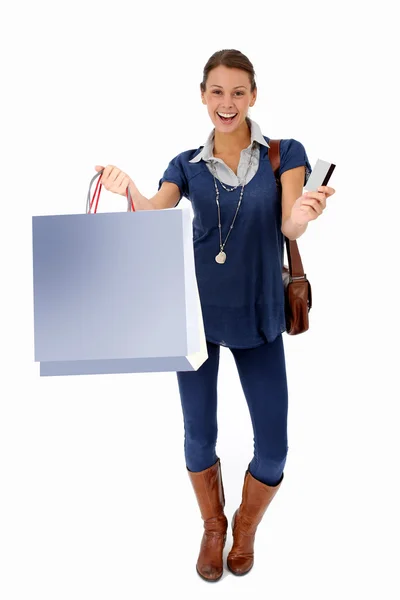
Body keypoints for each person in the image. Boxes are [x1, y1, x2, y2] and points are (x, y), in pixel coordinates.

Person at [95, 49, 336, 582]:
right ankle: (212, 525)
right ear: (202, 95)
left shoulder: (284, 153)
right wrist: (125, 187)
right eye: (217, 92)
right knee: (198, 436)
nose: (227, 103)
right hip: (194, 318)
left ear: (253, 96)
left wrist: (300, 215)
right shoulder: (186, 164)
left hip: (258, 313)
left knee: (273, 443)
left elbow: (291, 226)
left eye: (238, 92)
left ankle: (245, 525)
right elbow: (152, 214)